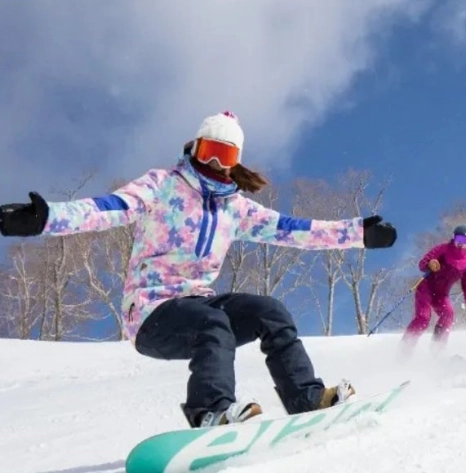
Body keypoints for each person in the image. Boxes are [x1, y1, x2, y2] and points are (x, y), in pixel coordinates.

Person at [0, 110, 398, 428]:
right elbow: (110, 208)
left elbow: (293, 230)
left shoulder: (234, 208)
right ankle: (210, 412)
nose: (214, 162)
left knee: (270, 311)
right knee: (212, 322)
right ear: (194, 148)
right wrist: (45, 219)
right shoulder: (162, 185)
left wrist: (358, 234)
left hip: (199, 304)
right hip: (152, 314)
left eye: (224, 156)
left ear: (234, 163)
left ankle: (305, 398)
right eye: (209, 151)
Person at [400, 225, 466, 353]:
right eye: (458, 239)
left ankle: (437, 349)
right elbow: (422, 264)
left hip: (441, 295)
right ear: (453, 238)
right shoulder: (443, 249)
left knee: (448, 314)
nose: (460, 243)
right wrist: (429, 264)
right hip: (426, 288)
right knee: (423, 318)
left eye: (464, 240)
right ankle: (405, 347)